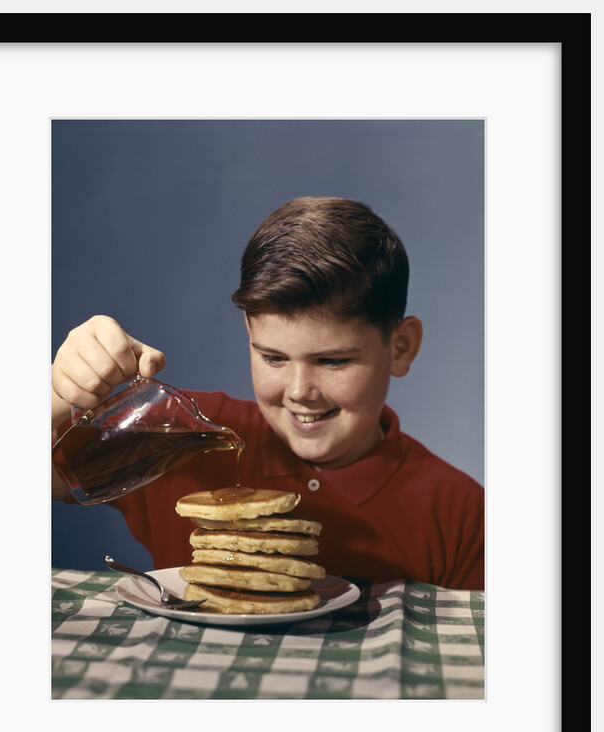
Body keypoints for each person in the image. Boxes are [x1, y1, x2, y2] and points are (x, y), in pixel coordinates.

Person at [51, 197, 484, 590]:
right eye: (273, 358)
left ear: (401, 347)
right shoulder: (184, 436)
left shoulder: (462, 515)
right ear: (249, 335)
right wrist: (53, 396)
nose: (299, 392)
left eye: (333, 362)